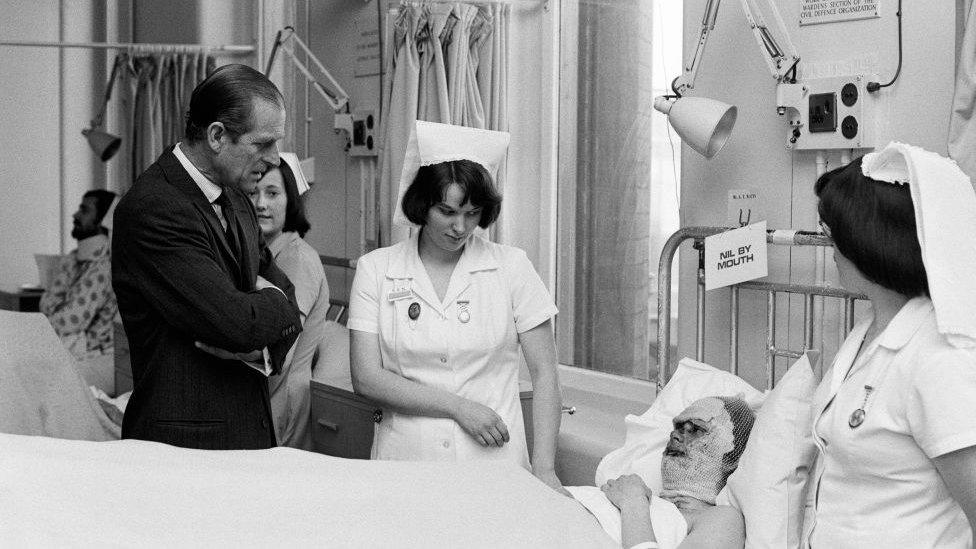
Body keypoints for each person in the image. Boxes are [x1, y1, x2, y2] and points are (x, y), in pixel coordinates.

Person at [349, 121, 566, 494]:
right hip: (407, 462)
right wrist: (459, 407)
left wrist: (545, 468)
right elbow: (367, 377)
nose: (460, 227)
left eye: (472, 213)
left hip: (494, 462)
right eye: (446, 212)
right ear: (422, 205)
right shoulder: (377, 269)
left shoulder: (511, 266)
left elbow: (545, 373)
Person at [112, 64, 302, 450]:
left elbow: (287, 307)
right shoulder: (154, 208)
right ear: (217, 136)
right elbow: (235, 325)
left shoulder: (236, 199)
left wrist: (262, 330)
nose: (275, 159)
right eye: (263, 144)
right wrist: (270, 309)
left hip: (248, 437)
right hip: (183, 450)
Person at [806, 143, 976, 547]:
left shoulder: (939, 359)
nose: (829, 250)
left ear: (869, 242)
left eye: (832, 235)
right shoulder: (867, 333)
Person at [570, 396, 753, 549]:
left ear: (731, 458)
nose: (675, 435)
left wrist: (633, 504)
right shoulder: (642, 495)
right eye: (678, 427)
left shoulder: (723, 519)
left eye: (696, 430)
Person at [249, 154, 329, 449]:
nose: (260, 204)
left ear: (291, 200)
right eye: (254, 193)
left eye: (272, 193)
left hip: (279, 398)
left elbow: (283, 345)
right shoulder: (264, 255)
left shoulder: (297, 258)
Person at [40, 190, 117, 362]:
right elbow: (45, 305)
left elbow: (68, 322)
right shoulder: (73, 259)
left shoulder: (104, 268)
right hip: (70, 349)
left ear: (103, 221)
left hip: (96, 357)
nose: (75, 215)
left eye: (84, 210)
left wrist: (44, 323)